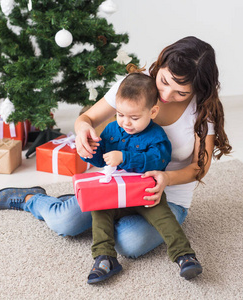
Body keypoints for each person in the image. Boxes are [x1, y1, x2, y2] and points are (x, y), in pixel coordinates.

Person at [0, 36, 232, 280]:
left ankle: (98, 216)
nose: (166, 94)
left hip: (165, 197)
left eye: (181, 92)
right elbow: (87, 119)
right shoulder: (134, 85)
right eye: (164, 81)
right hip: (115, 186)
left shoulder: (202, 110)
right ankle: (33, 198)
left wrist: (166, 177)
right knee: (64, 222)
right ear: (162, 63)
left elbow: (199, 167)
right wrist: (83, 131)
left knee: (130, 243)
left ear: (198, 89)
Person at [81, 73, 198, 283]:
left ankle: (184, 256)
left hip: (145, 193)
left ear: (153, 111)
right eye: (120, 115)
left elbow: (157, 161)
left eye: (134, 118)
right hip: (115, 192)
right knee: (98, 211)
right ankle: (104, 257)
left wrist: (124, 157)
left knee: (164, 218)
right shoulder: (112, 129)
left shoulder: (157, 136)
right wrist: (90, 151)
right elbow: (102, 160)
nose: (126, 122)